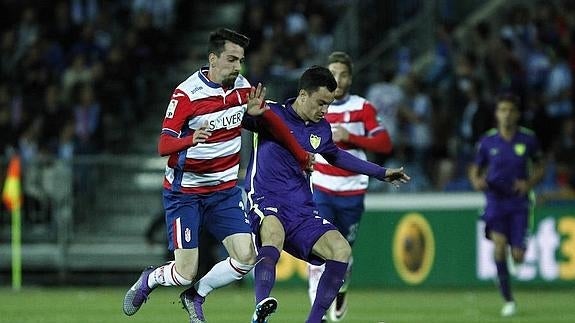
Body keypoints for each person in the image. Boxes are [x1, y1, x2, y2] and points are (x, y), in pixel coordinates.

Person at [122, 28, 312, 323]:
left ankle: (196, 296)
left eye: (241, 60)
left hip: (223, 191)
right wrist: (190, 139)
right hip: (186, 192)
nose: (238, 66)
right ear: (213, 59)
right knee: (184, 271)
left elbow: (264, 120)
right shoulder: (186, 94)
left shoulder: (242, 88)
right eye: (232, 59)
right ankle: (150, 279)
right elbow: (164, 144)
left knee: (247, 257)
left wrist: (299, 154)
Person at [242, 66, 410, 323]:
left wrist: (381, 172)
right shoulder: (269, 112)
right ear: (302, 95)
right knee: (273, 235)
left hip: (302, 209)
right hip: (265, 199)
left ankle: (314, 320)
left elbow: (337, 156)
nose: (325, 110)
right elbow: (238, 121)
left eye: (329, 104)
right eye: (321, 103)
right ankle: (260, 310)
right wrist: (246, 113)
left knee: (341, 249)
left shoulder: (320, 129)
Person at [308, 51, 393, 322]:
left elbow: (384, 143)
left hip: (352, 191)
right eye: (334, 73)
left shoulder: (363, 107)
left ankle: (342, 284)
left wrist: (351, 137)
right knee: (317, 252)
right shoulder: (316, 105)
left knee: (342, 253)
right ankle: (317, 315)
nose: (338, 79)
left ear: (351, 78)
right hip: (321, 187)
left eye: (344, 74)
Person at [468, 94, 545, 317]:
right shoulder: (487, 141)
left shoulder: (528, 140)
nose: (507, 114)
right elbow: (475, 168)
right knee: (499, 245)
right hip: (495, 200)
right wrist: (476, 181)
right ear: (497, 113)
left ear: (518, 114)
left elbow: (541, 165)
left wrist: (529, 183)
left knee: (519, 255)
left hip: (519, 202)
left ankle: (503, 268)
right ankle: (508, 299)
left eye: (511, 110)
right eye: (502, 110)